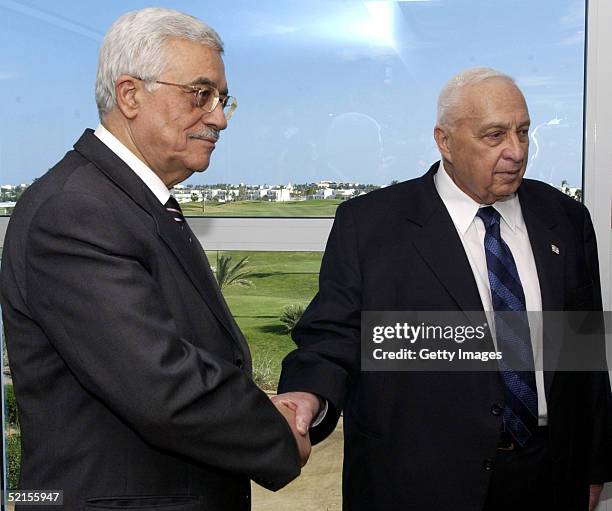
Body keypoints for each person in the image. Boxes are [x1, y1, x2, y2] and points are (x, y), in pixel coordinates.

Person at [0, 8, 309, 511]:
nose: (219, 118)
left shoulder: (131, 201)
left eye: (223, 98)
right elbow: (161, 386)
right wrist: (274, 435)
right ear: (130, 95)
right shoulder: (75, 210)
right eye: (201, 94)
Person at [273, 67, 609, 510]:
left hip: (548, 474)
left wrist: (594, 465)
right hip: (420, 479)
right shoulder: (371, 224)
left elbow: (583, 355)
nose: (516, 151)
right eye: (494, 136)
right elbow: (335, 333)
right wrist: (307, 392)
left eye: (523, 132)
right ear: (445, 141)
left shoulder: (565, 219)